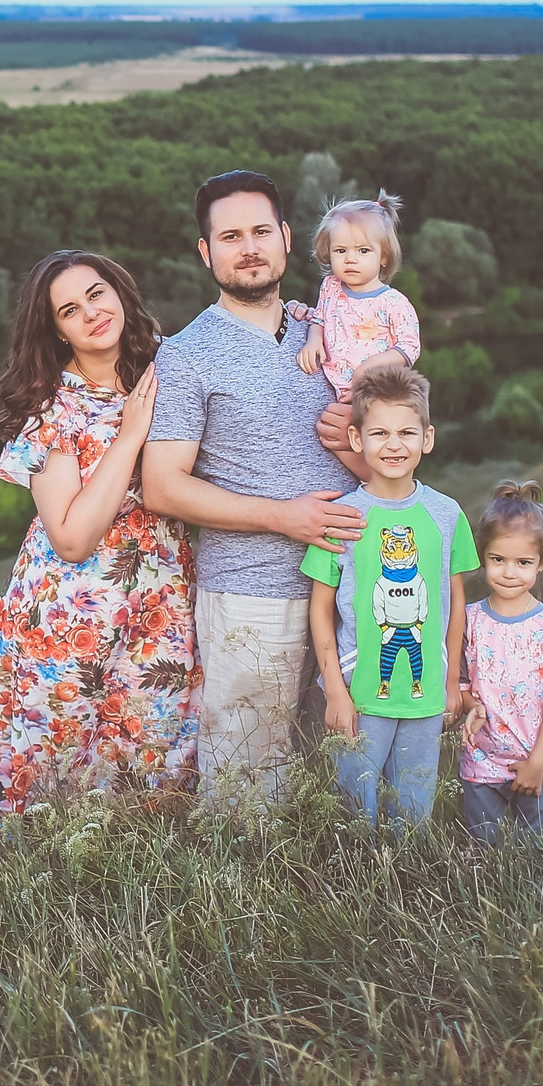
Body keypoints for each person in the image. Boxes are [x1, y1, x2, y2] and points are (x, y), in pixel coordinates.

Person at [0, 250, 197, 833]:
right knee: (50, 767)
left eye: (96, 294)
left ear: (120, 292)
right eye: (69, 309)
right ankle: (22, 896)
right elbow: (71, 537)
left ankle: (127, 898)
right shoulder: (49, 407)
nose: (90, 313)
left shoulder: (167, 366)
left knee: (154, 761)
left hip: (161, 607)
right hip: (67, 616)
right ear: (54, 330)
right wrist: (131, 435)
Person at [143, 171, 368, 800]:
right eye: (230, 235)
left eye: (261, 231)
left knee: (347, 766)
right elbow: (163, 488)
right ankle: (239, 899)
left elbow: (398, 452)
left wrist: (351, 443)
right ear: (205, 251)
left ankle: (348, 893)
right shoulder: (186, 354)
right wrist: (282, 518)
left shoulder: (331, 334)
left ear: (288, 239)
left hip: (355, 587)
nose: (249, 247)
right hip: (252, 594)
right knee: (248, 779)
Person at [301, 362, 471, 826]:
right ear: (357, 440)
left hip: (426, 693)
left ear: (427, 438)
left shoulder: (446, 514)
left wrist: (455, 678)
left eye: (406, 433)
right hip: (358, 693)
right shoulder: (342, 515)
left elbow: (455, 605)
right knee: (354, 812)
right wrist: (335, 688)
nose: (393, 445)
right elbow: (321, 610)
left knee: (412, 813)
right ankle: (355, 891)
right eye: (379, 433)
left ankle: (403, 891)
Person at [455, 480, 543, 840]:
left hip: (533, 761)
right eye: (498, 560)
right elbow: (463, 684)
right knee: (481, 847)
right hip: (481, 760)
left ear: (540, 564)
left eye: (523, 562)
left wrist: (537, 765)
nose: (510, 572)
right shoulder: (470, 619)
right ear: (484, 556)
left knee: (534, 851)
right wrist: (469, 705)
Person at [295, 194, 423, 401]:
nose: (350, 259)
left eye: (363, 250)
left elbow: (409, 347)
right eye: (340, 250)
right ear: (329, 252)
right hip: (331, 389)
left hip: (377, 392)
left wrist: (367, 369)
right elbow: (319, 318)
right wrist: (313, 341)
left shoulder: (393, 302)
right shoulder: (331, 287)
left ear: (383, 256)